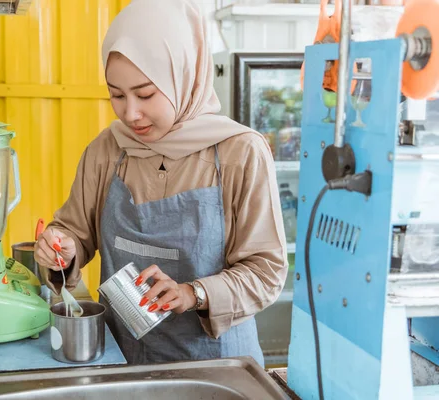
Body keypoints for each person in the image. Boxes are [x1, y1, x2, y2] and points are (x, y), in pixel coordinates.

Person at [34, 0, 287, 366]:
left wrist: (194, 293)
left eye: (146, 93)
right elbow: (73, 231)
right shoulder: (108, 150)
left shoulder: (240, 153)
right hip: (123, 359)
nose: (130, 113)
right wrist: (61, 248)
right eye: (117, 95)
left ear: (183, 75)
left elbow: (266, 270)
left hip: (215, 367)